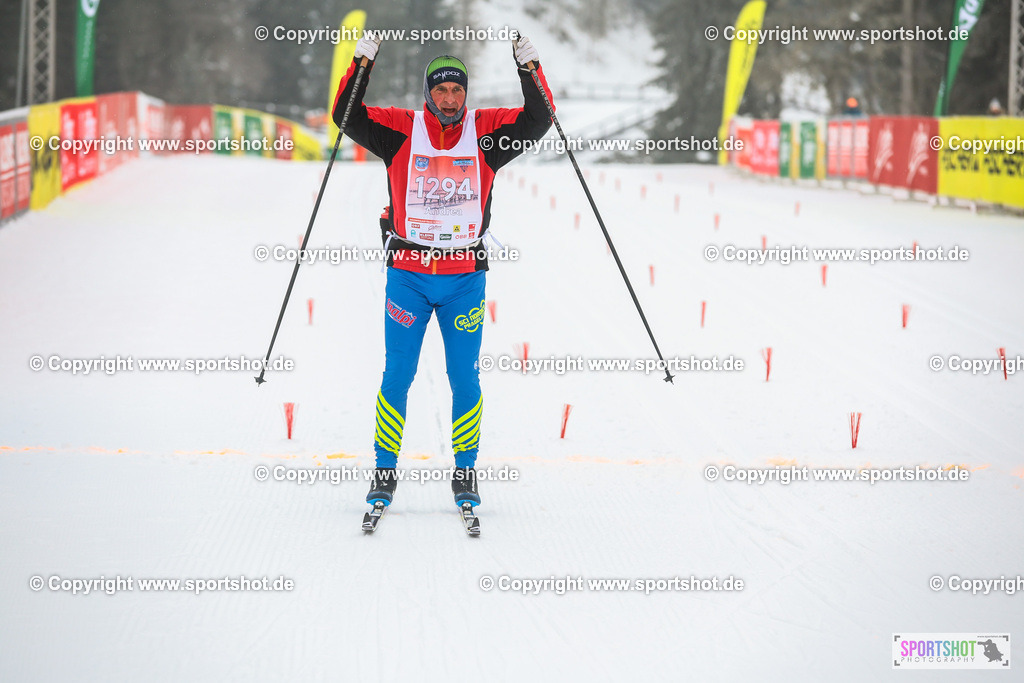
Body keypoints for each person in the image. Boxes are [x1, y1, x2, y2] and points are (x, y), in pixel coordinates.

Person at [331, 34, 553, 511]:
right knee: (398, 375)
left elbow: (539, 120)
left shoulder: (487, 132)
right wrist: (362, 63)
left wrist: (529, 69)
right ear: (427, 93)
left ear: (465, 95)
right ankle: (384, 471)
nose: (449, 99)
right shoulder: (400, 129)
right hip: (408, 277)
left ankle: (465, 472)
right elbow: (346, 116)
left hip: (463, 280)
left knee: (465, 378)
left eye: (457, 91)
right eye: (440, 90)